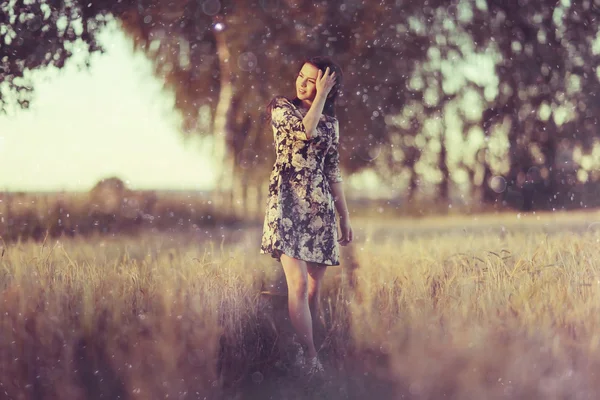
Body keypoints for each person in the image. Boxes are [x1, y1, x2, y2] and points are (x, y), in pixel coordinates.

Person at [260, 56, 354, 376]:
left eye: (311, 80)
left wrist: (344, 217)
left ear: (329, 86)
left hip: (320, 208)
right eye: (301, 75)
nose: (301, 82)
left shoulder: (332, 124)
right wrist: (322, 96)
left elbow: (333, 171)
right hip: (287, 203)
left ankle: (304, 348)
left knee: (313, 289)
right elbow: (305, 130)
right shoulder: (280, 108)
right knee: (297, 284)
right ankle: (311, 360)